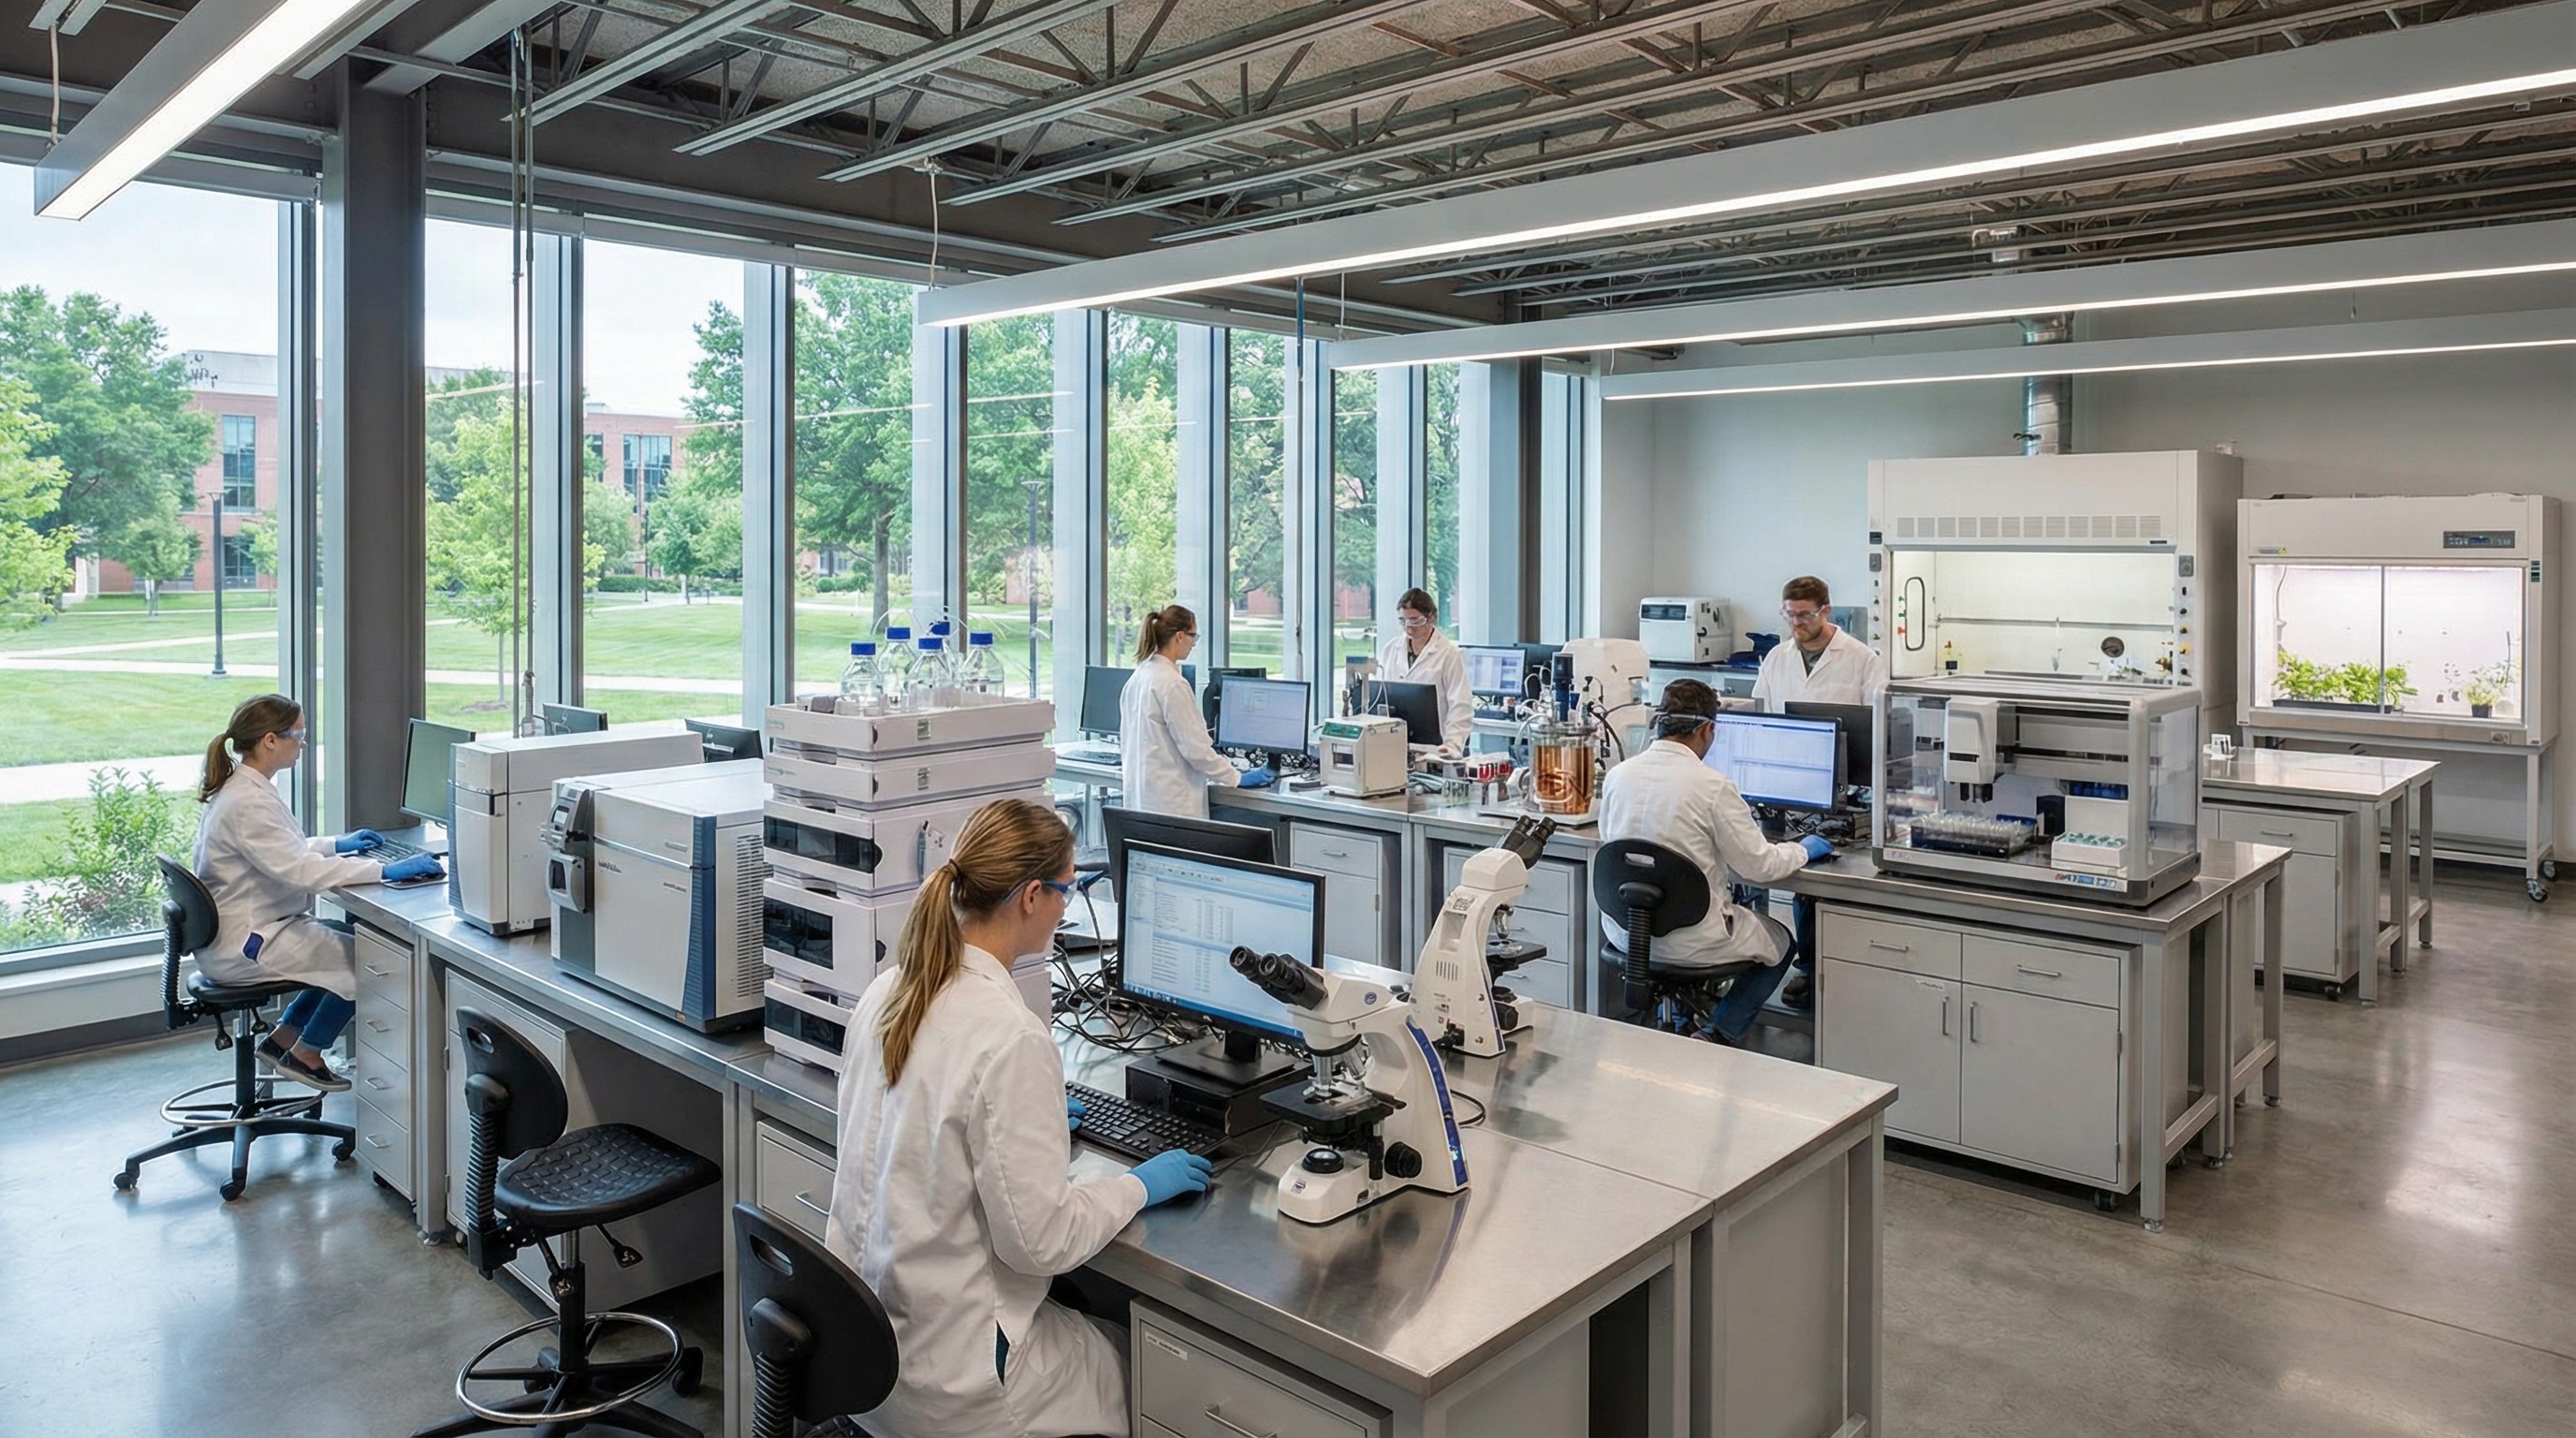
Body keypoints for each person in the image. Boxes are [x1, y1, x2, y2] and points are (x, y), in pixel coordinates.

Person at [825, 798, 1214, 1438]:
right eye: (1065, 890)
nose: (1066, 908)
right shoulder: (1011, 1038)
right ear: (1032, 896)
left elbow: (924, 1120)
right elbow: (1041, 1244)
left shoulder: (887, 991)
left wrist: (1032, 1123)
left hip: (871, 1359)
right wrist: (1140, 1185)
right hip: (955, 1387)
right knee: (1147, 1373)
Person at [194, 694, 445, 1092]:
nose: (304, 743)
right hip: (247, 942)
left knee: (346, 939)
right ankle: (307, 1054)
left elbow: (281, 851)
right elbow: (301, 871)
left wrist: (336, 845)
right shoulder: (248, 802)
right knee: (373, 962)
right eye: (299, 735)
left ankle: (283, 1039)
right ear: (270, 740)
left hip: (249, 929)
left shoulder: (244, 788)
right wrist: (384, 870)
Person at [1597, 680, 1831, 1047]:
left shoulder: (1618, 775)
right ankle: (1717, 1032)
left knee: (1714, 909)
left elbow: (1613, 845)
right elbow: (1760, 868)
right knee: (1782, 942)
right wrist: (1804, 849)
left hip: (1628, 933)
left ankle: (1684, 1018)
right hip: (1691, 939)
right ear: (1708, 729)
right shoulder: (1712, 786)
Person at [1119, 603, 1273, 818]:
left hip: (1143, 800)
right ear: (1180, 636)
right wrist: (1236, 777)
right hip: (1172, 804)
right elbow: (1196, 750)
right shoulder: (1172, 683)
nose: (1193, 643)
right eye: (1193, 636)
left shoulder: (1139, 676)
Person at [1751, 576, 1889, 710]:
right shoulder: (1776, 657)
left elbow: (1877, 717)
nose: (1796, 622)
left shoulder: (1863, 659)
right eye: (1790, 614)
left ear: (1825, 611)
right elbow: (1761, 712)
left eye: (1805, 615)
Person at [1372, 587, 1473, 753]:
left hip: (1435, 747)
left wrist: (1452, 745)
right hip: (1393, 742)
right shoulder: (1391, 649)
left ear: (1432, 617)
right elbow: (1379, 697)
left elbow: (1460, 705)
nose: (1409, 627)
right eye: (1403, 621)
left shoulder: (1449, 654)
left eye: (1415, 620)